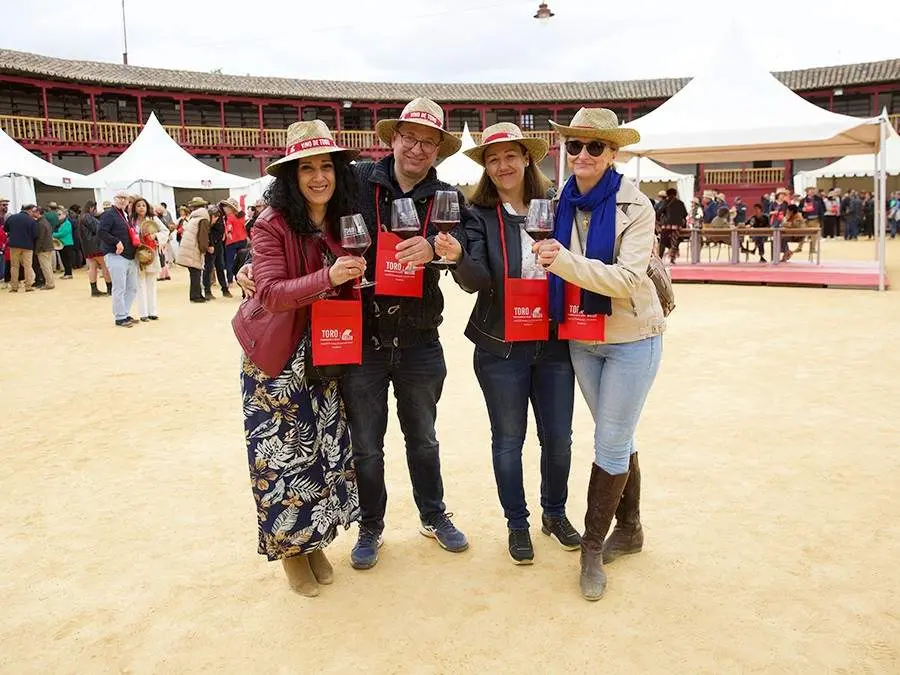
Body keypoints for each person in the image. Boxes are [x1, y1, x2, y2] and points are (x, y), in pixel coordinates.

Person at [238, 97, 471, 570]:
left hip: (420, 335)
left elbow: (465, 243)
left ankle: (433, 514)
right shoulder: (358, 179)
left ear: (439, 149)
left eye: (429, 142)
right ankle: (371, 525)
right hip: (360, 335)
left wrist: (441, 248)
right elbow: (285, 209)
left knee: (423, 437)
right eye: (410, 137)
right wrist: (251, 259)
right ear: (394, 138)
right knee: (365, 442)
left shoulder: (449, 196)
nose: (418, 148)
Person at [533, 108, 665, 601]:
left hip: (632, 336)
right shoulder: (554, 202)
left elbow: (630, 280)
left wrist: (562, 261)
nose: (583, 155)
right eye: (575, 146)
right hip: (582, 337)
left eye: (594, 147)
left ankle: (592, 546)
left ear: (613, 154)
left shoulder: (638, 208)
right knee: (617, 432)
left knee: (610, 439)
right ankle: (629, 528)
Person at [434, 123, 580, 565]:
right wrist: (459, 258)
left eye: (510, 156)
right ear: (485, 167)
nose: (502, 165)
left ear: (526, 159)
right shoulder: (476, 213)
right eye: (493, 159)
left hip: (553, 340)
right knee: (508, 440)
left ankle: (554, 514)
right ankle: (517, 522)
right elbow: (476, 282)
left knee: (559, 438)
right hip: (502, 345)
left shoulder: (555, 204)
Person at [238, 120, 362, 596]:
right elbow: (268, 293)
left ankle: (313, 542)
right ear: (290, 176)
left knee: (321, 452)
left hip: (326, 349)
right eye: (306, 168)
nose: (318, 177)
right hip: (277, 358)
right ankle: (291, 553)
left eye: (325, 166)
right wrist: (330, 276)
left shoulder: (340, 219)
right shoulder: (271, 222)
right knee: (282, 456)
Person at [98, 191, 139, 327]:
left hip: (129, 255)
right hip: (116, 255)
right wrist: (116, 241)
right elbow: (101, 232)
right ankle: (120, 317)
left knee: (132, 287)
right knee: (119, 287)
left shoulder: (125, 215)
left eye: (125, 198)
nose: (122, 200)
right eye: (119, 198)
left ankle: (125, 313)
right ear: (114, 199)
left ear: (128, 201)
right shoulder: (109, 214)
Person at [131, 197, 168, 321]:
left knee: (151, 283)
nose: (141, 208)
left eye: (143, 205)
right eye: (138, 206)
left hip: (151, 254)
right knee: (140, 284)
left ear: (147, 207)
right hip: (137, 255)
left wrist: (155, 236)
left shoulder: (153, 219)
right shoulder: (131, 221)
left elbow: (165, 231)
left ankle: (152, 311)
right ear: (134, 208)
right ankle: (143, 313)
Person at [175, 197, 211, 303]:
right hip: (194, 248)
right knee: (196, 272)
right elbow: (202, 236)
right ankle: (196, 296)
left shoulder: (193, 218)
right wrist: (204, 249)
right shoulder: (203, 218)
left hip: (189, 247)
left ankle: (197, 294)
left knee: (194, 272)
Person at [77, 200, 112, 296]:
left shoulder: (81, 217)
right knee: (105, 266)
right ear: (92, 208)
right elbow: (97, 228)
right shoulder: (88, 217)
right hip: (96, 245)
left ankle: (94, 290)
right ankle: (110, 289)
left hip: (87, 246)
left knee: (92, 267)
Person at [5, 204, 39, 292]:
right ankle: (28, 286)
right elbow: (35, 234)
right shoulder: (31, 220)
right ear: (29, 211)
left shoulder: (12, 218)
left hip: (14, 245)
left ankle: (14, 287)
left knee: (14, 266)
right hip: (28, 246)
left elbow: (6, 229)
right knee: (28, 266)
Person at [203, 205, 231, 298]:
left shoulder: (222, 215)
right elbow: (208, 229)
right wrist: (210, 244)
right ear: (226, 207)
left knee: (220, 267)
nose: (231, 212)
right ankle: (207, 291)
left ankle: (224, 289)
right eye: (230, 209)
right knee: (209, 268)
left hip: (218, 244)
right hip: (213, 245)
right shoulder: (214, 213)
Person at [220, 197, 248, 287]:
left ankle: (230, 281)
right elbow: (243, 206)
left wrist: (228, 235)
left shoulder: (229, 218)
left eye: (227, 207)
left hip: (231, 242)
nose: (225, 209)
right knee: (242, 261)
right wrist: (242, 198)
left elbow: (229, 229)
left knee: (230, 262)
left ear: (231, 208)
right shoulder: (242, 216)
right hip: (242, 240)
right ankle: (241, 279)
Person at [659, 187, 687, 263]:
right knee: (675, 241)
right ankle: (672, 258)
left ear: (667, 194)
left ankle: (660, 258)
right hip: (677, 226)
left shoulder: (665, 202)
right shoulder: (680, 203)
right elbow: (685, 214)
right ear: (675, 194)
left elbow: (659, 212)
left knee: (663, 242)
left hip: (666, 226)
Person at [52, 206, 76, 279]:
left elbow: (63, 233)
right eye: (57, 214)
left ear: (65, 215)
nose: (58, 216)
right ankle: (66, 273)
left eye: (59, 214)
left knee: (67, 259)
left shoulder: (67, 223)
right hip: (61, 244)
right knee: (63, 259)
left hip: (67, 244)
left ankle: (69, 273)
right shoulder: (61, 224)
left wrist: (53, 234)